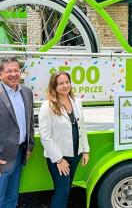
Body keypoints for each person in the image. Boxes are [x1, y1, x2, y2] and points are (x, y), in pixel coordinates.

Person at [39, 71, 89, 208]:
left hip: (75, 154)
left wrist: (85, 150)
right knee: (62, 191)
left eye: (67, 82)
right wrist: (59, 160)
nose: (65, 85)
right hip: (59, 158)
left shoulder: (77, 102)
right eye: (61, 83)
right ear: (54, 86)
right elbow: (45, 137)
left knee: (66, 191)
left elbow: (82, 128)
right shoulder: (48, 105)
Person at [0, 56, 35, 208]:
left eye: (16, 70)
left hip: (20, 153)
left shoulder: (27, 92)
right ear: (1, 74)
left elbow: (30, 122)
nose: (13, 74)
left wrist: (29, 146)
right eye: (9, 71)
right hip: (2, 157)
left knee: (12, 197)